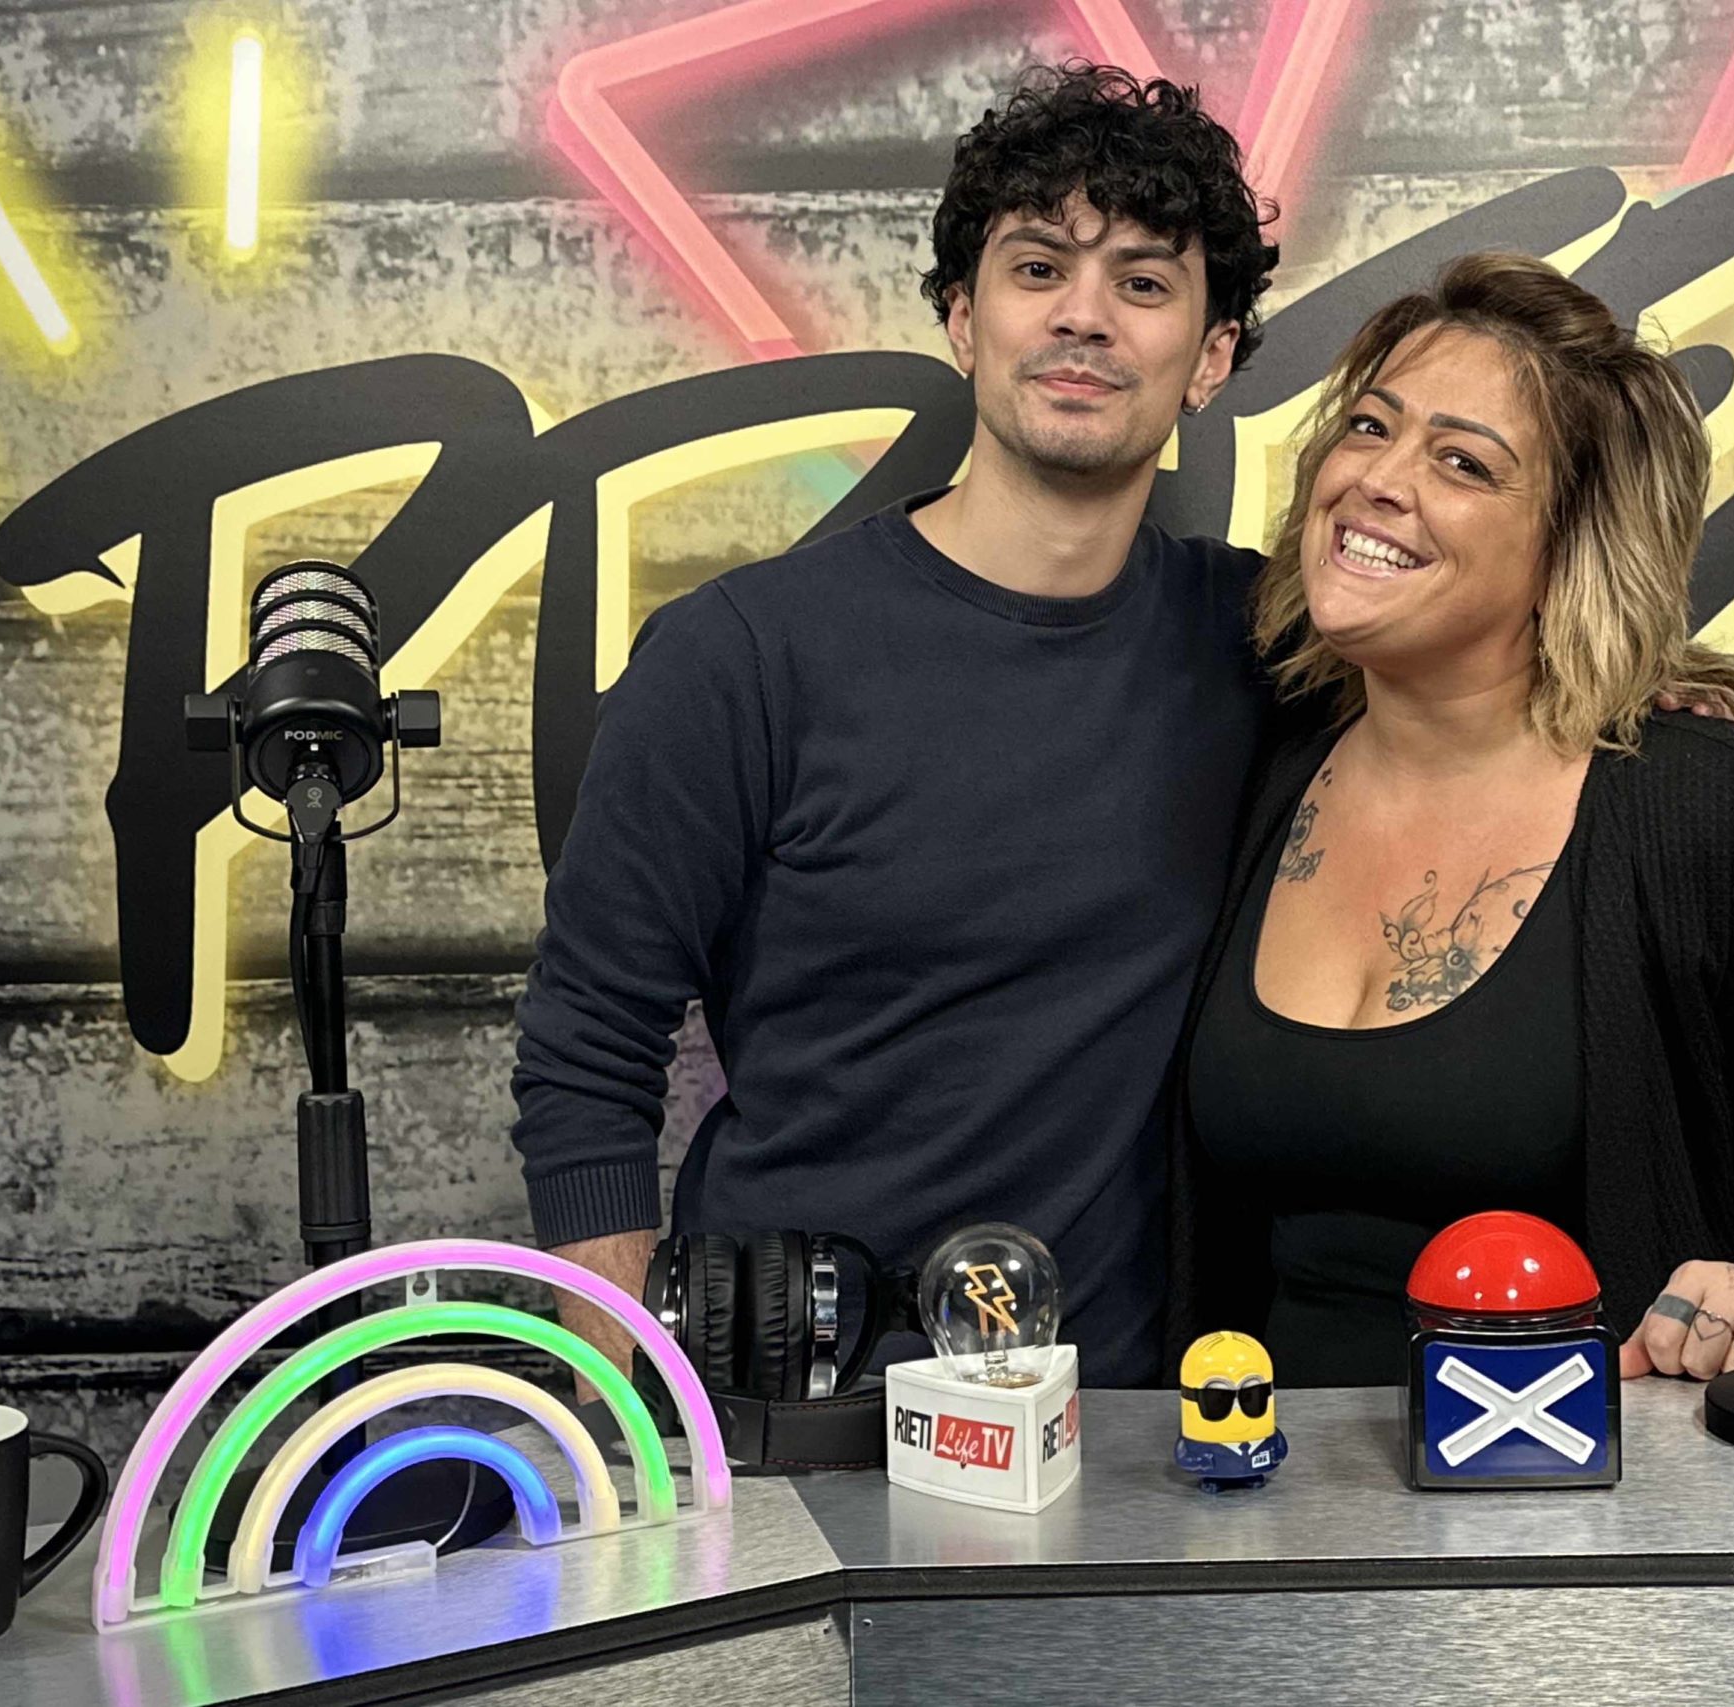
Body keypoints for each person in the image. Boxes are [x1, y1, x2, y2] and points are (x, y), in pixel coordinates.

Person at [510, 64, 1279, 1389]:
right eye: (1037, 268)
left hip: (1115, 1432)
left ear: (1210, 357)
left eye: (1145, 283)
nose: (1083, 314)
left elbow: (1494, 673)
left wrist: (1629, 684)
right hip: (791, 1418)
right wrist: (628, 1394)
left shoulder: (1264, 644)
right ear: (963, 319)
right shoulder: (742, 656)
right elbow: (589, 1038)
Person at [1175, 253, 1734, 1387]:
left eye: (1463, 461)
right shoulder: (1262, 747)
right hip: (1263, 1475)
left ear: (1571, 543)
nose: (1377, 479)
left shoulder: (1708, 804)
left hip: (1595, 1485)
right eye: (1368, 426)